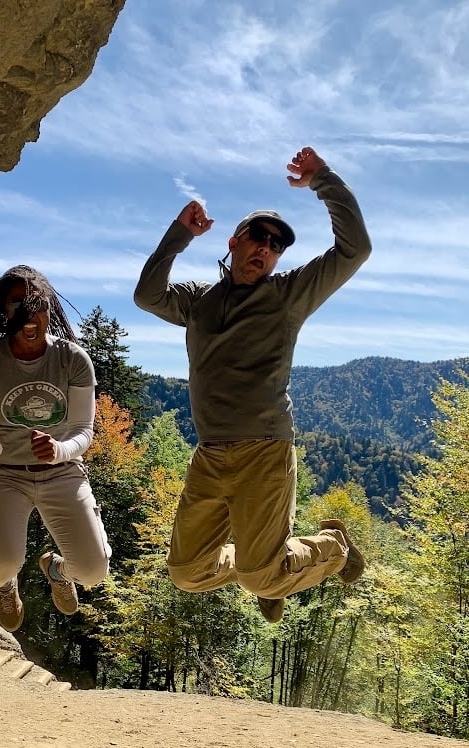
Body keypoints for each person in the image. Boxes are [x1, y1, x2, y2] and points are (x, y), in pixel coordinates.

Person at [133, 146, 372, 623]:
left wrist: (323, 180)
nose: (266, 247)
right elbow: (147, 295)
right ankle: (269, 566)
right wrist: (180, 234)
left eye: (276, 245)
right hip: (210, 453)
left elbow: (355, 249)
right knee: (187, 572)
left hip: (264, 449)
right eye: (258, 237)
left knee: (259, 577)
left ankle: (331, 546)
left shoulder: (287, 296)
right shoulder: (198, 300)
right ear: (234, 242)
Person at [0, 265, 111, 633]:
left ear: (49, 309)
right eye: (17, 304)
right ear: (3, 311)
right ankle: (5, 583)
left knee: (93, 572)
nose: (29, 314)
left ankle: (56, 569)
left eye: (37, 303)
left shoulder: (72, 359)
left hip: (62, 471)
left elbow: (84, 430)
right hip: (1, 474)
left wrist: (60, 450)